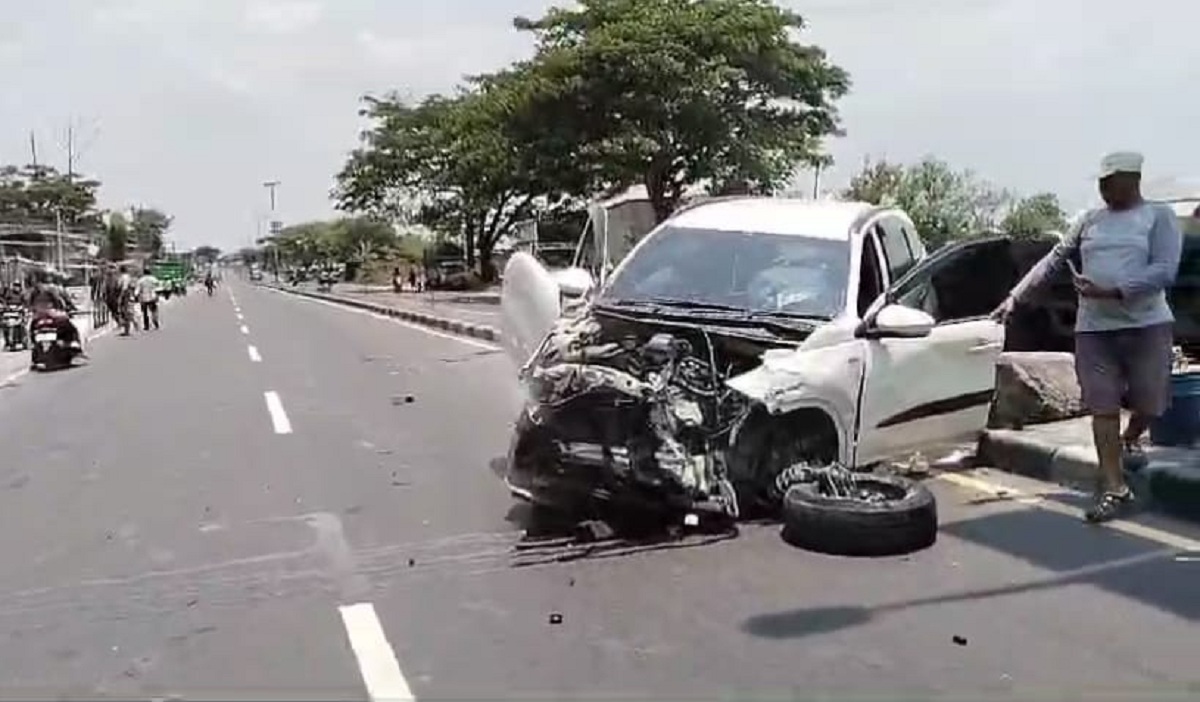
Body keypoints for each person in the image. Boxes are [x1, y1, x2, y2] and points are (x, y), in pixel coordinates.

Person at [992, 151, 1182, 523]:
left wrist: (1113, 291)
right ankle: (1114, 487)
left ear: (1132, 179)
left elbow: (1164, 271)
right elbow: (1053, 259)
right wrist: (1016, 297)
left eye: (1110, 180)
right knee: (1102, 406)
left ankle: (1132, 436)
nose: (1103, 187)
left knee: (1152, 401)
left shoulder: (1158, 217)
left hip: (1147, 324)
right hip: (1095, 329)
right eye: (1100, 181)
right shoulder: (1089, 220)